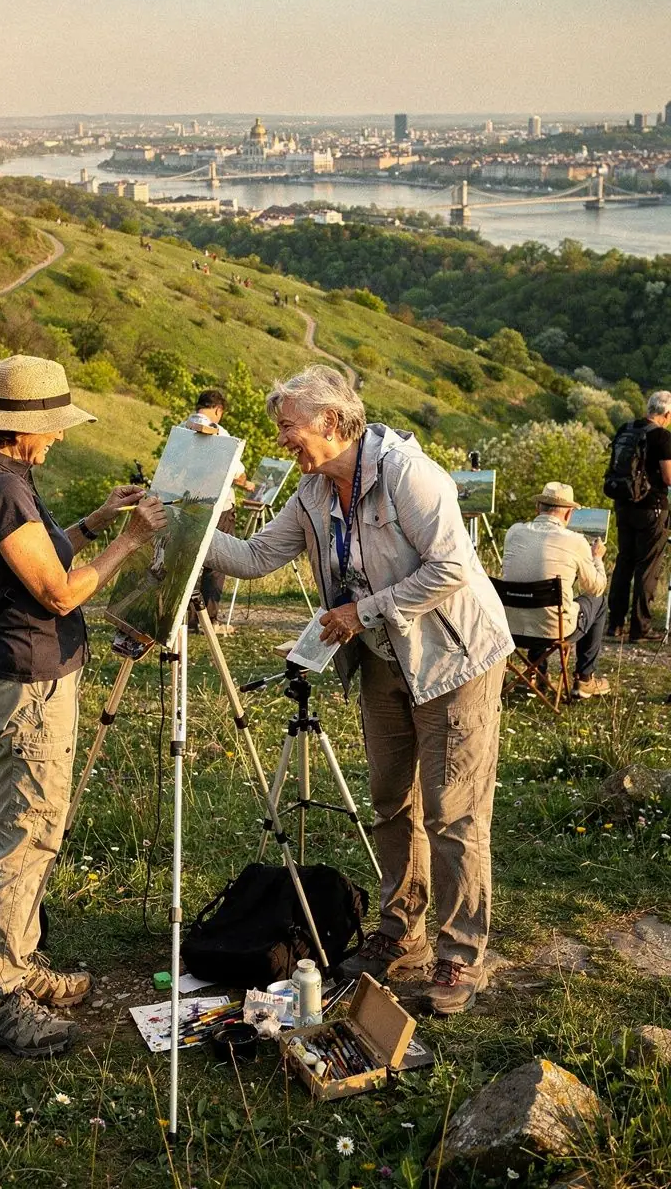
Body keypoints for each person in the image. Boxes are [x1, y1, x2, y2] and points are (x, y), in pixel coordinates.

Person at [203, 365, 513, 1015]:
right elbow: (259, 557)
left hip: (454, 660)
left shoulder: (407, 473)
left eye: (289, 426)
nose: (282, 439)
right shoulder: (314, 492)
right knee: (390, 801)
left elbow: (453, 566)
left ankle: (459, 958)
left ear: (331, 422)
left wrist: (361, 612)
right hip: (382, 664)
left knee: (452, 812)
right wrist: (189, 530)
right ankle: (402, 934)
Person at [0, 355, 166, 1057]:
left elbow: (38, 561)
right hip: (27, 677)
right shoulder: (0, 491)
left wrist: (98, 521)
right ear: (20, 430)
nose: (59, 439)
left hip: (27, 671)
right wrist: (132, 542)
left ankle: (17, 962)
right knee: (26, 834)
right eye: (51, 428)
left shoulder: (2, 478)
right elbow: (57, 593)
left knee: (33, 826)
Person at [501, 482, 609, 698]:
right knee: (599, 601)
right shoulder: (575, 541)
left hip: (510, 628)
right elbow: (596, 587)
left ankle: (535, 673)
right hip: (553, 631)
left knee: (537, 594)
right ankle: (584, 679)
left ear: (537, 507)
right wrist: (597, 558)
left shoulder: (513, 532)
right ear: (569, 514)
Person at [182, 389, 254, 629]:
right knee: (216, 564)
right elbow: (236, 472)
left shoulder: (183, 428)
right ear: (218, 410)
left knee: (191, 561)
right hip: (218, 508)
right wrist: (247, 483)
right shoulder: (218, 432)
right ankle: (208, 620)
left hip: (189, 504)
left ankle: (188, 619)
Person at [606, 392, 671, 642]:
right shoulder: (662, 436)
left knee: (624, 562)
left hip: (624, 504)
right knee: (647, 567)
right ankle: (640, 628)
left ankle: (615, 624)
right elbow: (668, 478)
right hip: (651, 508)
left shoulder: (627, 428)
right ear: (666, 414)